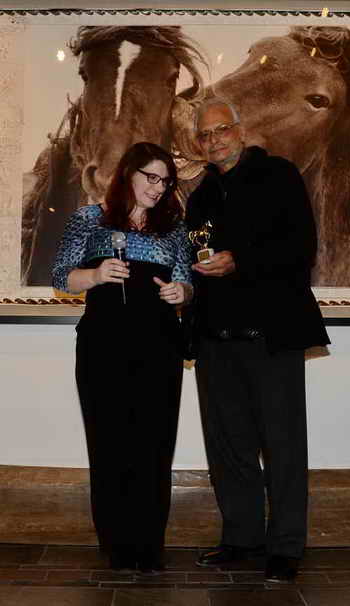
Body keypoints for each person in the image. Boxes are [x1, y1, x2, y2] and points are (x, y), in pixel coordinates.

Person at [184, 98, 330, 583]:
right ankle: (241, 538)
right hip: (214, 338)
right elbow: (193, 254)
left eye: (221, 129)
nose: (213, 140)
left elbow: (301, 247)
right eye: (204, 135)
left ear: (240, 129)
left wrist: (238, 260)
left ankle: (286, 547)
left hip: (271, 336)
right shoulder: (201, 194)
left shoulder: (279, 175)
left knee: (283, 446)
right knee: (228, 447)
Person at [53, 142, 193, 574]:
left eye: (165, 180)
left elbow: (186, 282)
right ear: (128, 173)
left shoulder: (174, 228)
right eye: (151, 177)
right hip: (103, 346)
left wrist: (181, 292)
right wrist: (95, 275)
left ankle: (148, 544)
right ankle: (116, 543)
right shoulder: (88, 219)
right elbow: (61, 276)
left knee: (154, 445)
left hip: (160, 347)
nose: (159, 187)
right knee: (109, 442)